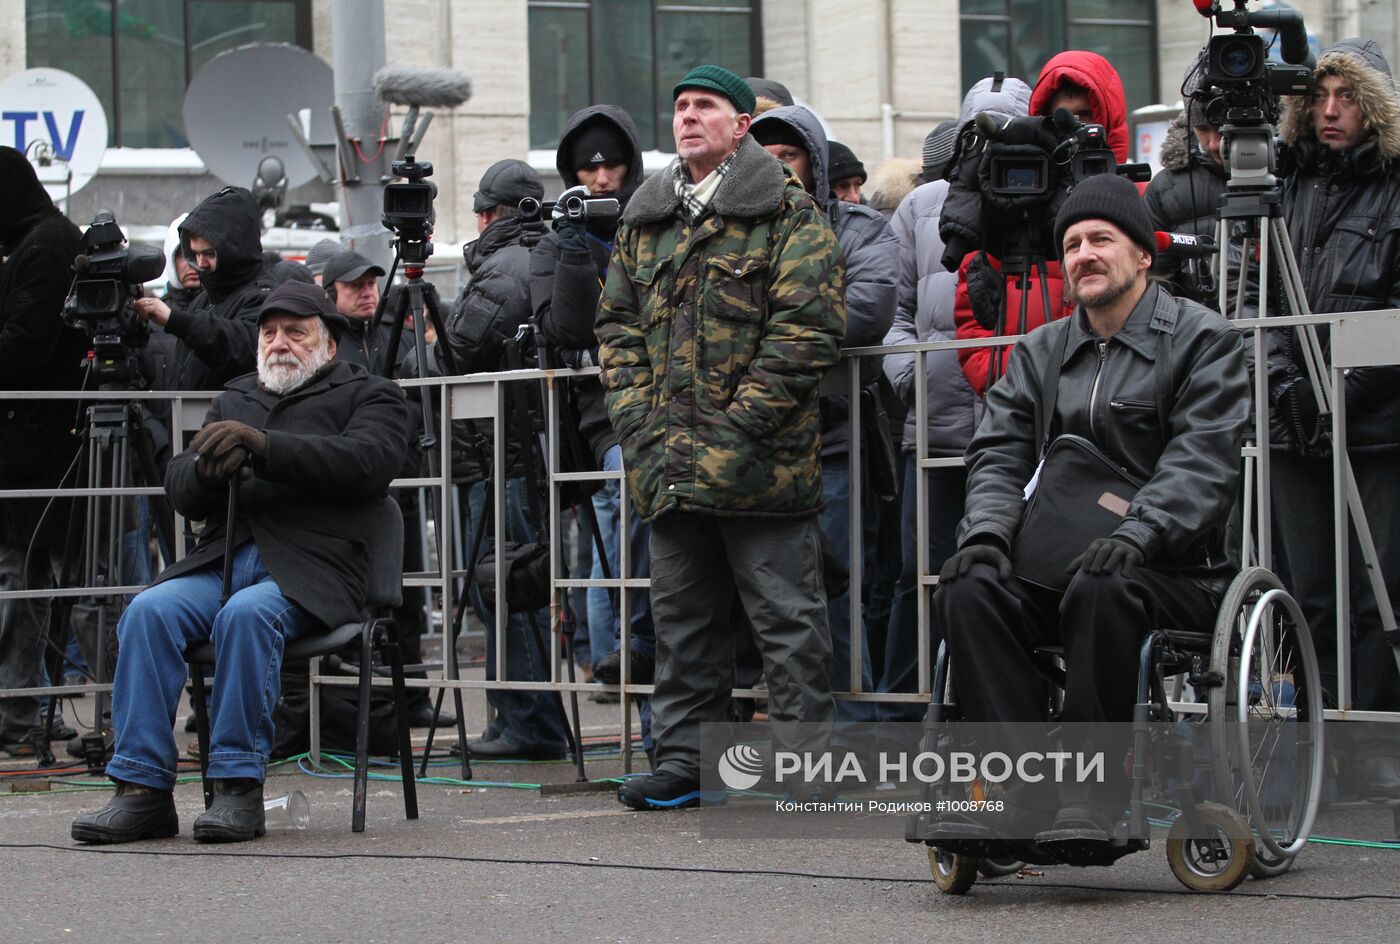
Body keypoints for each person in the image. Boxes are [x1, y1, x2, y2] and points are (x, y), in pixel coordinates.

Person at [929, 175, 1248, 850]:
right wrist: (987, 533)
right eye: (1071, 244)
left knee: (1104, 586)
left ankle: (1093, 796)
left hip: (1177, 570)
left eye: (1102, 238)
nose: (1084, 254)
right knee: (968, 583)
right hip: (1056, 555)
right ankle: (1022, 792)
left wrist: (1139, 532)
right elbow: (999, 455)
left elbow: (1202, 460)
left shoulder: (1202, 339)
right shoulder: (1041, 349)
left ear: (1142, 255)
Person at [70, 280, 409, 844]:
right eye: (270, 333)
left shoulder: (371, 394)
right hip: (225, 558)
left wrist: (265, 447)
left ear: (327, 346)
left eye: (296, 333)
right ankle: (142, 789)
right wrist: (204, 472)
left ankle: (236, 787)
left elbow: (367, 463)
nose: (279, 343)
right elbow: (180, 487)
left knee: (247, 616)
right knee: (149, 611)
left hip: (315, 565)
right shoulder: (236, 397)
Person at [597, 66, 846, 809]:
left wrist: (737, 430)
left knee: (788, 626)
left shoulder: (788, 214)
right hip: (668, 463)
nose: (688, 117)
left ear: (742, 125)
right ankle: (684, 762)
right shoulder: (645, 219)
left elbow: (806, 332)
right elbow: (616, 329)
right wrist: (639, 423)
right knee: (682, 623)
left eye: (706, 106)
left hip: (760, 468)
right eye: (679, 107)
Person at [1264, 39, 1400, 795]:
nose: (1329, 110)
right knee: (1309, 588)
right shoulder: (1288, 183)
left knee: (1379, 585)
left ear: (1373, 105)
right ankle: (1322, 740)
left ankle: (1376, 734)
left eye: (1346, 96)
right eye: (1319, 96)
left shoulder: (1394, 185)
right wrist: (1292, 382)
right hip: (1295, 421)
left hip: (1377, 425)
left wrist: (1340, 389)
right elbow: (1265, 301)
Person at [878, 76, 1031, 722]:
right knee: (924, 574)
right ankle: (909, 711)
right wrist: (911, 378)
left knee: (1010, 573)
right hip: (934, 431)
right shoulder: (920, 208)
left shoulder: (1038, 200)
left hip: (1022, 435)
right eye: (981, 124)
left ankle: (989, 708)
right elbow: (894, 311)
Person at [750, 104, 899, 725]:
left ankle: (850, 724)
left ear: (813, 163)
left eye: (788, 157)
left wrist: (766, 325)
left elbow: (867, 311)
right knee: (772, 596)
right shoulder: (732, 232)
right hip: (752, 436)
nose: (776, 171)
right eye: (763, 160)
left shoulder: (859, 228)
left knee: (834, 587)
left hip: (834, 436)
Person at [419, 158, 571, 761]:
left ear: (487, 214)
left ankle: (530, 724)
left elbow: (453, 355)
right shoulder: (537, 255)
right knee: (511, 583)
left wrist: (419, 353)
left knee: (504, 585)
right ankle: (519, 718)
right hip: (509, 450)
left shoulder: (504, 267)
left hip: (497, 454)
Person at [527, 105, 656, 694]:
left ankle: (636, 652)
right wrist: (577, 247)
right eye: (587, 171)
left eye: (613, 167)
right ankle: (614, 660)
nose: (602, 181)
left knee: (634, 536)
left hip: (666, 404)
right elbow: (569, 327)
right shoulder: (558, 241)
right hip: (605, 417)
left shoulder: (660, 221)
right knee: (613, 534)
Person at [951, 52, 1135, 398]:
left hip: (1115, 401)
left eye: (1084, 117)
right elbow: (974, 329)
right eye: (1060, 118)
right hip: (1023, 404)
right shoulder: (1009, 207)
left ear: (1107, 119)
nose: (1073, 130)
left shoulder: (1137, 197)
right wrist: (1024, 385)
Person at [0, 147, 85, 756]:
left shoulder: (47, 245)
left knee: (25, 581)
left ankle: (19, 716)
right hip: (30, 445)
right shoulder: (36, 242)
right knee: (25, 581)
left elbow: (23, 347)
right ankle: (23, 712)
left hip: (38, 450)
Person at [135, 187, 276, 392]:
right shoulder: (204, 300)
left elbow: (242, 345)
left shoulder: (264, 296)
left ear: (234, 249)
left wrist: (176, 320)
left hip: (231, 423)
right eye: (195, 253)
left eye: (209, 253)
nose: (200, 263)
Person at [1144, 53, 1227, 308]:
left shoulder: (1289, 171)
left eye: (1222, 128)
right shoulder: (1166, 188)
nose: (1214, 143)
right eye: (1202, 129)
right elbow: (1156, 285)